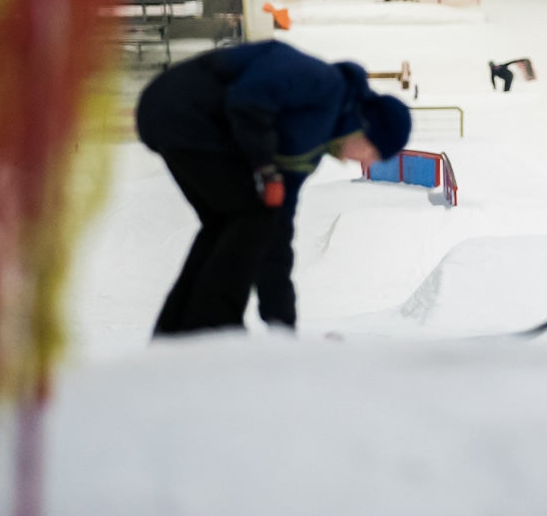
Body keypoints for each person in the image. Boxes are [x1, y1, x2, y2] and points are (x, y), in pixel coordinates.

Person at [135, 40, 411, 336]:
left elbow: (277, 228)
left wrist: (282, 323)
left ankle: (176, 330)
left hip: (184, 122)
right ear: (365, 127)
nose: (364, 161)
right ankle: (214, 328)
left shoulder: (309, 151)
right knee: (246, 217)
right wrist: (265, 167)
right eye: (372, 152)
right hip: (184, 108)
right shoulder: (323, 82)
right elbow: (248, 97)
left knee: (235, 223)